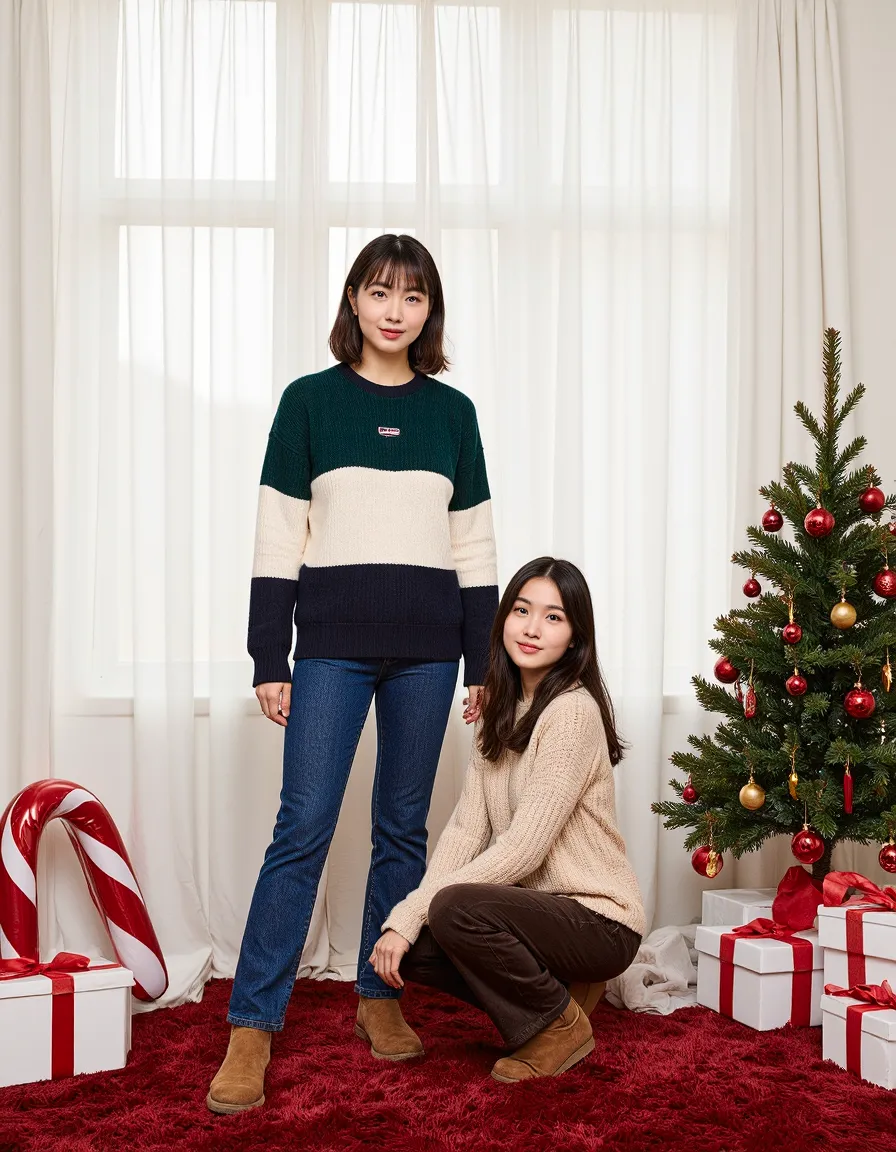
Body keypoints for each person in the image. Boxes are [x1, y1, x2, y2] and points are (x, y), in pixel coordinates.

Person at [207, 235, 499, 1114]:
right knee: (303, 828)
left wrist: (482, 661)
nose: (394, 310)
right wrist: (270, 655)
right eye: (379, 292)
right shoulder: (307, 404)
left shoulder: (454, 415)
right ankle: (252, 1025)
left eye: (412, 297)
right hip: (329, 645)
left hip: (429, 651)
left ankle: (380, 999)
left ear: (428, 313)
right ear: (354, 302)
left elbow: (475, 547)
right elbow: (277, 535)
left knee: (403, 831)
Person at [369, 557, 645, 1083]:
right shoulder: (499, 708)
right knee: (411, 944)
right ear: (503, 620)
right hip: (540, 915)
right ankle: (560, 996)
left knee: (449, 908)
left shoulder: (571, 712)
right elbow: (467, 829)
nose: (533, 628)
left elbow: (524, 849)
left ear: (575, 637)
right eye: (522, 610)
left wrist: (421, 906)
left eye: (554, 617)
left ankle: (557, 1028)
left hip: (598, 918)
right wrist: (408, 916)